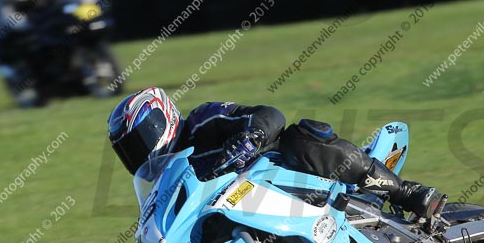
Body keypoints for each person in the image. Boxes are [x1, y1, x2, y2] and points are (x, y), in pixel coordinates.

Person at [107, 87, 442, 219]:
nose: (139, 153)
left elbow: (270, 115)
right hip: (244, 208)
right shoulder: (168, 181)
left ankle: (406, 192)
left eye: (140, 139)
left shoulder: (201, 120)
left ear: (161, 116)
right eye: (128, 151)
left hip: (280, 171)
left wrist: (251, 136)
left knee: (300, 136)